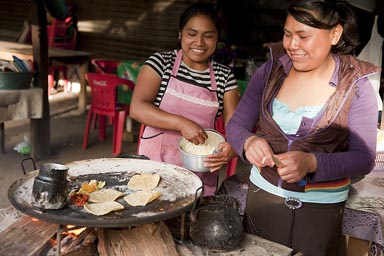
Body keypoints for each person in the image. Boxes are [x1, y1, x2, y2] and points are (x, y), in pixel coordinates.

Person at [226, 0, 380, 255]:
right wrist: (248, 142)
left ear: (335, 34)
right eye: (287, 34)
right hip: (261, 201)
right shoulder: (271, 70)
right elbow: (236, 125)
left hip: (320, 212)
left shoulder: (356, 85)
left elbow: (363, 159)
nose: (292, 45)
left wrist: (311, 163)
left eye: (303, 36)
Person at [130, 1, 239, 196]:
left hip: (199, 171)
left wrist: (232, 146)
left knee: (190, 222)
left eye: (208, 36)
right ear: (180, 34)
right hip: (156, 166)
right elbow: (137, 108)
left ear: (217, 39)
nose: (199, 42)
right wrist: (181, 123)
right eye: (192, 34)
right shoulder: (160, 63)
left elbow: (235, 126)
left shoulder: (224, 77)